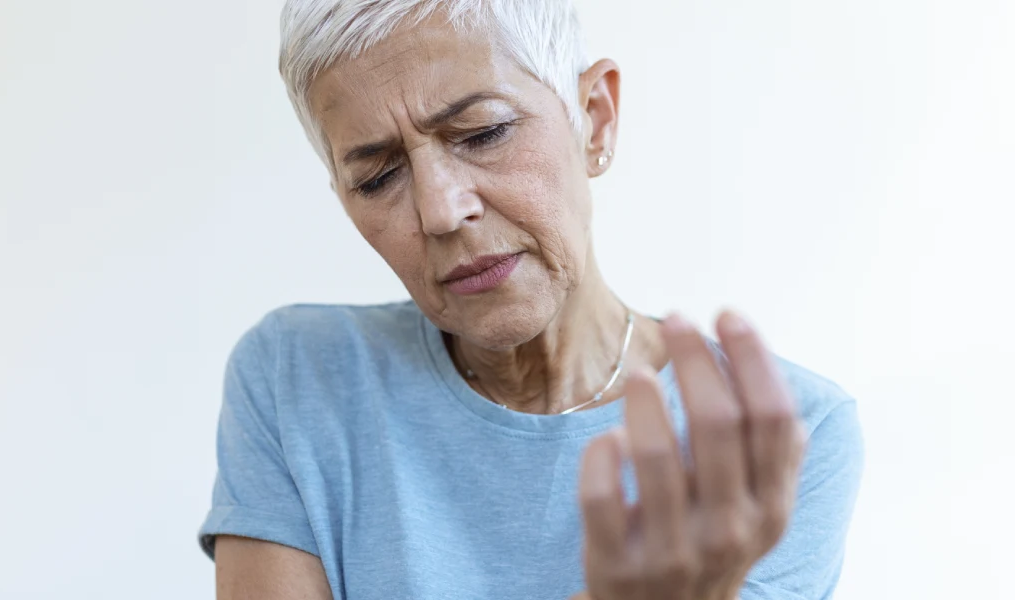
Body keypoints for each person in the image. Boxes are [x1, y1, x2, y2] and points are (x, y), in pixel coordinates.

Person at [198, 1, 864, 598]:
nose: (440, 210)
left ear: (595, 120)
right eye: (377, 177)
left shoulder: (786, 435)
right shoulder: (298, 379)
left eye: (483, 132)